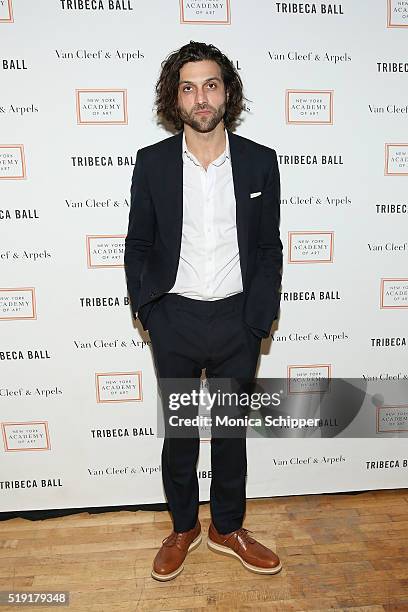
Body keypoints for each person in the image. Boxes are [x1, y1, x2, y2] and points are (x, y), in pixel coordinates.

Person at [124, 41, 283, 581]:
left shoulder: (261, 161)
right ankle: (184, 526)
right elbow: (138, 243)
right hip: (175, 318)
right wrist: (150, 309)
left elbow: (268, 247)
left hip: (240, 319)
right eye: (188, 87)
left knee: (231, 432)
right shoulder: (153, 163)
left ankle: (228, 527)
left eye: (210, 84)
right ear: (175, 98)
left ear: (227, 91)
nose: (201, 97)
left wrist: (259, 317)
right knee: (182, 432)